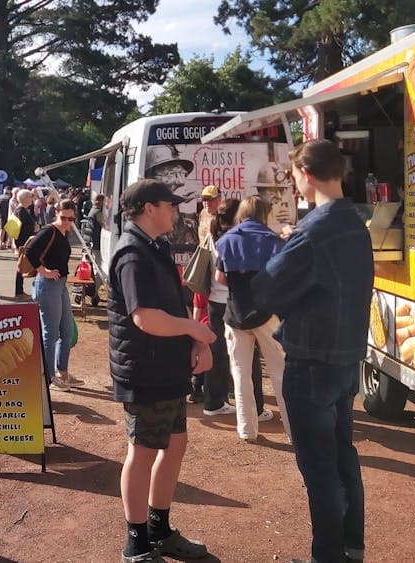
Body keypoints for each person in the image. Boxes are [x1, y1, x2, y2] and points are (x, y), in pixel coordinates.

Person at [251, 140, 372, 563]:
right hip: (345, 359)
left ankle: (328, 555)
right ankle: (351, 548)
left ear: (305, 173)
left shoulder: (315, 229)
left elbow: (266, 288)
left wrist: (285, 249)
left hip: (312, 361)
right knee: (344, 459)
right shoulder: (356, 222)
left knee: (319, 469)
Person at [107, 179, 215, 563]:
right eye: (170, 205)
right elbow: (145, 317)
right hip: (144, 370)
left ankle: (158, 528)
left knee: (173, 444)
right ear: (149, 208)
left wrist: (196, 343)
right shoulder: (133, 253)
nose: (176, 211)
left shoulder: (156, 246)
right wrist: (193, 330)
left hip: (165, 368)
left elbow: (175, 304)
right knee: (143, 451)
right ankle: (136, 543)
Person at [215, 195, 291, 443]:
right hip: (267, 315)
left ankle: (247, 430)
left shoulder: (226, 240)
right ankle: (294, 432)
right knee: (280, 373)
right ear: (264, 214)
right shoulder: (273, 242)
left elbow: (220, 279)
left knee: (240, 372)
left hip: (235, 313)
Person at [22, 199, 85, 392]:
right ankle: (48, 377)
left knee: (66, 331)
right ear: (56, 213)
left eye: (71, 218)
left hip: (60, 284)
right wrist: (44, 271)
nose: (67, 221)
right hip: (48, 285)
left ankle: (62, 372)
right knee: (51, 333)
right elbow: (30, 251)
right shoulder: (49, 230)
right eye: (63, 217)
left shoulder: (63, 233)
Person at [190, 199, 239, 414]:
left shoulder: (211, 237)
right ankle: (225, 398)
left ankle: (213, 401)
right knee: (238, 354)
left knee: (216, 352)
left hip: (213, 302)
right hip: (231, 301)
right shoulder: (234, 238)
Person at [13, 189, 37, 300]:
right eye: (30, 196)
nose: (32, 199)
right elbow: (21, 228)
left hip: (23, 242)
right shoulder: (21, 211)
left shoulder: (21, 210)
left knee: (21, 267)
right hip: (23, 242)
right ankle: (19, 291)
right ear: (26, 198)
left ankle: (20, 291)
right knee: (21, 267)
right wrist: (33, 228)